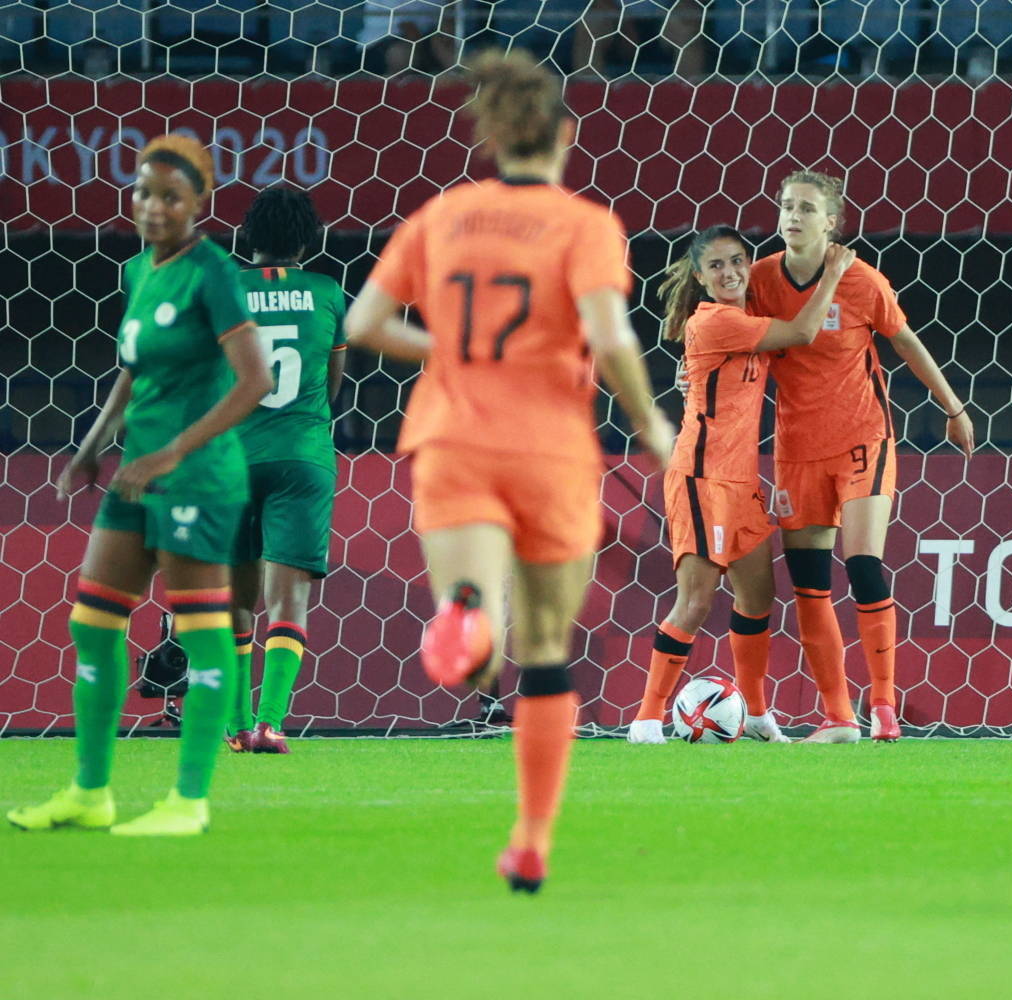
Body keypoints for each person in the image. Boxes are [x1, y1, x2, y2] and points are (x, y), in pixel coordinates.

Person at [344, 50, 673, 892]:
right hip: (552, 448)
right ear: (565, 134)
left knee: (479, 631)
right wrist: (652, 426)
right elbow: (609, 338)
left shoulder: (444, 215)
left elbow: (365, 322)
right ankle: (530, 838)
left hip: (453, 436)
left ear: (490, 138)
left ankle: (467, 621)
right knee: (551, 648)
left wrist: (448, 349)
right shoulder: (585, 224)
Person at [8, 134, 273, 836]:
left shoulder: (212, 271)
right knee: (92, 621)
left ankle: (188, 800)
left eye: (170, 197)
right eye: (144, 193)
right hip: (135, 475)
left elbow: (256, 379)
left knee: (201, 630)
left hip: (197, 480)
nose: (153, 208)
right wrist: (92, 446)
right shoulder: (138, 270)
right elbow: (132, 368)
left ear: (200, 204)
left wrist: (174, 453)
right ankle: (90, 792)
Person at [748, 169, 975, 744]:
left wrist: (953, 407)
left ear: (832, 222)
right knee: (808, 584)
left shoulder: (863, 281)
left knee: (864, 562)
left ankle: (883, 704)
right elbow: (730, 337)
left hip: (862, 438)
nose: (792, 216)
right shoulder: (759, 280)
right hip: (797, 449)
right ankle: (838, 716)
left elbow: (905, 342)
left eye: (805, 208)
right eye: (785, 206)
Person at [627, 226, 855, 745]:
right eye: (716, 266)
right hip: (703, 476)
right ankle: (646, 719)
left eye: (737, 261)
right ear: (702, 278)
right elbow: (800, 334)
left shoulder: (745, 320)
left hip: (742, 480)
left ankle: (756, 716)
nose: (729, 273)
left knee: (757, 598)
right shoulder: (715, 321)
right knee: (697, 599)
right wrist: (834, 271)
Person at [225, 187, 347, 755]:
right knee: (287, 600)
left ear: (247, 238)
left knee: (234, 599)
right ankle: (271, 725)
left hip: (230, 457)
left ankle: (235, 726)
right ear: (307, 240)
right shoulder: (327, 292)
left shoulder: (224, 291)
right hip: (303, 456)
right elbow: (334, 379)